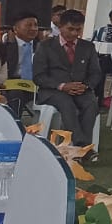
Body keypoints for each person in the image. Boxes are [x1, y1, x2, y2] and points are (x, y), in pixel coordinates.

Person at [35, 9, 104, 150]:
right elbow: (38, 76)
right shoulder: (45, 46)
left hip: (80, 90)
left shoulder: (88, 47)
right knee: (66, 102)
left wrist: (85, 86)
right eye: (70, 29)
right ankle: (81, 145)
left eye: (78, 30)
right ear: (60, 27)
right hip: (53, 91)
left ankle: (83, 147)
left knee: (91, 104)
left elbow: (96, 73)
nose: (74, 33)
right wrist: (62, 86)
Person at [0, 10, 41, 118]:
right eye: (28, 25)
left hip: (37, 86)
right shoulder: (5, 47)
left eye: (35, 25)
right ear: (16, 28)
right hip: (13, 85)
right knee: (15, 94)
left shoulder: (43, 47)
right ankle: (14, 125)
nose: (33, 28)